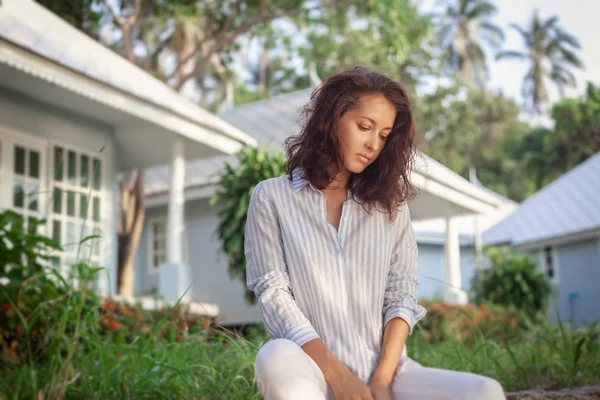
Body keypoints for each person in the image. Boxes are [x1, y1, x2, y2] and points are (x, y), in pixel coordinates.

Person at [244, 66, 506, 400]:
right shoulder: (271, 197)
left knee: (485, 392)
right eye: (364, 127)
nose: (372, 144)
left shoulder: (390, 208)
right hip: (310, 372)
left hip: (384, 374)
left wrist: (381, 381)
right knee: (274, 356)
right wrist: (339, 377)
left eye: (383, 135)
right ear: (330, 120)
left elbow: (401, 296)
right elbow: (273, 293)